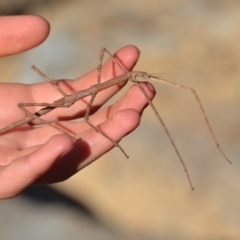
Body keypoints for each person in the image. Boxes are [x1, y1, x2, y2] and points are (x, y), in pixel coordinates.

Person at [0, 15, 156, 199]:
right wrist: (116, 144)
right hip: (51, 106)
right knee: (88, 121)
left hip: (62, 101)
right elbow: (88, 120)